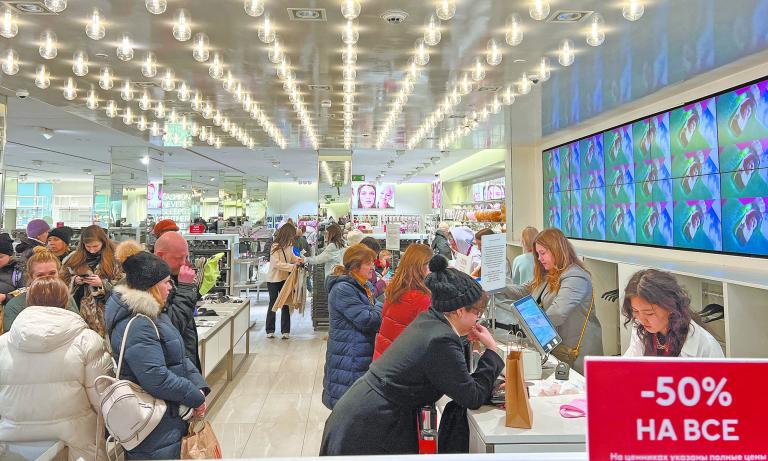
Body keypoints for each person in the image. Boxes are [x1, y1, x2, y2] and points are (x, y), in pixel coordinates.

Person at [320, 255, 504, 455]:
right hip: (369, 425)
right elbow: (472, 396)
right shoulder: (440, 339)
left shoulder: (431, 321)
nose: (478, 319)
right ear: (459, 311)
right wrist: (492, 351)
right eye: (477, 312)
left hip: (363, 409)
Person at [104, 241, 209, 460]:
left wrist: (198, 387)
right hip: (152, 421)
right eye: (166, 282)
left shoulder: (154, 314)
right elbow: (156, 377)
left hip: (167, 415)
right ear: (151, 286)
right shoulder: (138, 322)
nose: (171, 286)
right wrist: (194, 397)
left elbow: (178, 357)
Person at [0, 277, 113, 461]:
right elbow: (102, 399)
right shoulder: (87, 340)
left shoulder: (3, 343)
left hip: (14, 445)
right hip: (76, 442)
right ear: (65, 301)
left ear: (29, 300)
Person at [503, 228, 603, 374]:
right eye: (537, 254)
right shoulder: (549, 274)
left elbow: (557, 313)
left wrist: (527, 325)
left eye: (543, 253)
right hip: (560, 350)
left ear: (557, 249)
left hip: (577, 353)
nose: (539, 258)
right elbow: (524, 290)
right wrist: (497, 287)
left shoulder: (576, 277)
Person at [323, 243, 383, 409]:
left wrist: (376, 306)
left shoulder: (363, 285)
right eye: (369, 263)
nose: (372, 267)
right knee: (348, 409)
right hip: (349, 356)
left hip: (357, 354)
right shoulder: (343, 289)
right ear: (356, 266)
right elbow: (369, 320)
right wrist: (380, 306)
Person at [622, 269, 723, 357]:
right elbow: (628, 368)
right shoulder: (641, 328)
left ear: (670, 307)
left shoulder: (706, 346)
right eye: (635, 311)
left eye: (649, 313)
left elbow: (718, 378)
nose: (641, 319)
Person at [372, 244, 432, 360]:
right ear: (422, 267)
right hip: (401, 364)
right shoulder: (422, 298)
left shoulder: (395, 289)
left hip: (384, 360)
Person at [61, 225, 122, 338]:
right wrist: (74, 281)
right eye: (88, 246)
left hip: (107, 312)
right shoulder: (73, 259)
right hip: (80, 311)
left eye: (95, 246)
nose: (92, 250)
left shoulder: (116, 259)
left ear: (103, 242)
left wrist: (102, 284)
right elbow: (61, 282)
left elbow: (124, 286)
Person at [155, 232, 202, 371]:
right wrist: (186, 288)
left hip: (184, 358)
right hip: (172, 365)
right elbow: (172, 325)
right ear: (160, 255)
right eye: (178, 258)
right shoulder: (153, 284)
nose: (183, 262)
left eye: (186, 257)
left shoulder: (171, 276)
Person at [3, 247, 79, 333]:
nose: (47, 278)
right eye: (40, 275)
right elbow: (12, 339)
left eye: (52, 273)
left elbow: (77, 329)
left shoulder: (67, 299)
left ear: (58, 273)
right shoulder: (15, 305)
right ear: (31, 277)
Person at [266, 223, 302, 339]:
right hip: (273, 279)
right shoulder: (275, 246)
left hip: (285, 279)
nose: (293, 237)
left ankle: (285, 331)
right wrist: (292, 267)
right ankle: (270, 330)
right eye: (292, 234)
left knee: (286, 303)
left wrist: (300, 260)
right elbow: (276, 264)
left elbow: (291, 258)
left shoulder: (289, 245)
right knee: (273, 303)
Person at [0, 236, 23, 306]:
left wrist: (5, 297)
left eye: (0, 257)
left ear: (10, 256)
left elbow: (26, 294)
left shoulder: (19, 272)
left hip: (8, 312)